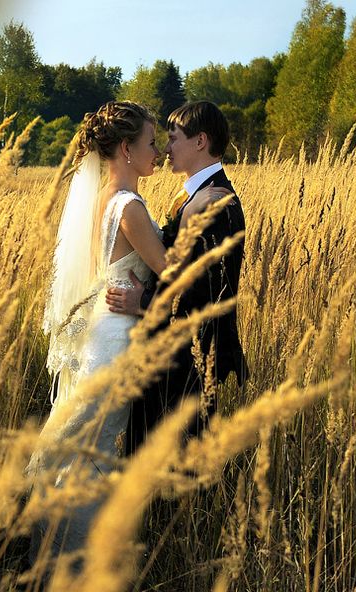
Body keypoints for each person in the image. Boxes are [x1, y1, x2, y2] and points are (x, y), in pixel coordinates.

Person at [25, 101, 228, 579]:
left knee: (82, 451)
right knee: (92, 458)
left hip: (97, 335)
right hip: (115, 342)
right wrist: (194, 218)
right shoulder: (129, 206)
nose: (158, 151)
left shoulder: (103, 200)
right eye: (151, 143)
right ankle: (78, 570)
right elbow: (177, 276)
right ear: (125, 148)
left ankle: (56, 563)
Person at [105, 100, 249, 456]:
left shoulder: (216, 202)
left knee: (176, 465)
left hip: (188, 362)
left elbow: (208, 293)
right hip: (167, 358)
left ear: (200, 141)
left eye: (173, 138)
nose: (166, 149)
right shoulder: (193, 197)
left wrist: (144, 303)